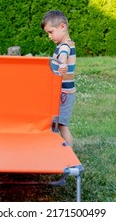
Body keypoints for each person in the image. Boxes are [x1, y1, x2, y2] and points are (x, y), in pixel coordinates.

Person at [41, 10, 76, 147]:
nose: (49, 36)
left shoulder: (65, 46)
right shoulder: (63, 44)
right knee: (55, 122)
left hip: (64, 93)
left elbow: (63, 56)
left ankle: (69, 154)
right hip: (59, 91)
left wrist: (62, 64)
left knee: (62, 124)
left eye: (51, 32)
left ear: (62, 27)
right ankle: (56, 148)